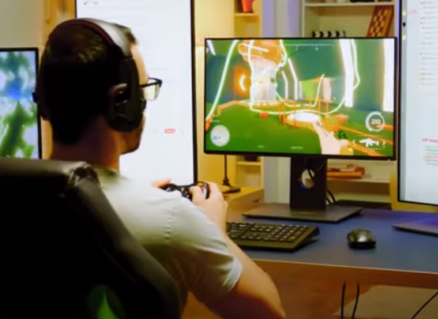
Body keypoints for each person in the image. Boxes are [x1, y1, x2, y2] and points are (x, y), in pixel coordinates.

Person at [34, 19, 286, 319]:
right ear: (123, 105)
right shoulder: (168, 219)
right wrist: (214, 230)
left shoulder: (12, 200)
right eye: (143, 90)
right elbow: (269, 313)